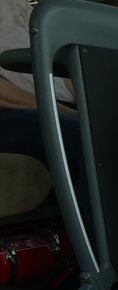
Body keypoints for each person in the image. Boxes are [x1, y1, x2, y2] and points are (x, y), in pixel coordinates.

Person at [0, 0, 83, 217]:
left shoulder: (21, 8)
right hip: (18, 112)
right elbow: (6, 96)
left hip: (52, 103)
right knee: (83, 137)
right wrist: (70, 114)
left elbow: (65, 54)